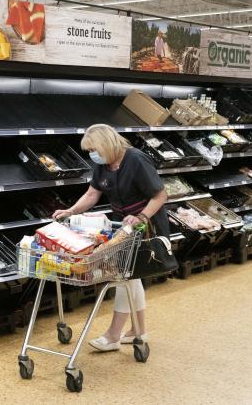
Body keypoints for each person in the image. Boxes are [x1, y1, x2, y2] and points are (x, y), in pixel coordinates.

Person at [52, 124, 168, 352]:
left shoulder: (136, 160)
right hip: (122, 225)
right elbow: (92, 193)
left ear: (107, 144)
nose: (92, 155)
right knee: (130, 276)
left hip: (145, 224)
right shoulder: (102, 164)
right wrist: (71, 211)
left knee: (126, 275)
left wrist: (142, 216)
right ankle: (138, 330)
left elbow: (161, 194)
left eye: (94, 149)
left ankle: (114, 335)